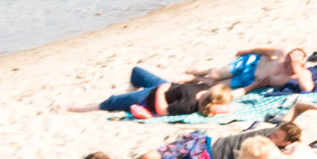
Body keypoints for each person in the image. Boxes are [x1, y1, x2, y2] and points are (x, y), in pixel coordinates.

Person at [120, 105, 317, 159]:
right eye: (274, 132)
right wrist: (316, 107)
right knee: (148, 157)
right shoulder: (275, 131)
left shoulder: (276, 154)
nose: (271, 134)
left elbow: (301, 156)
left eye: (276, 136)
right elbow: (296, 107)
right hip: (199, 144)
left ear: (285, 143)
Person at [68, 67, 233, 118]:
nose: (212, 85)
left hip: (150, 98)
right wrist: (191, 77)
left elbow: (162, 111)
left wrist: (161, 91)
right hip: (165, 86)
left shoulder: (189, 105)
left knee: (112, 101)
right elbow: (207, 81)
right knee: (136, 72)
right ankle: (128, 95)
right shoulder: (205, 90)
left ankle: (80, 109)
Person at [188, 47, 314, 94]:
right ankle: (201, 72)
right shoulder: (281, 52)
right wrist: (246, 51)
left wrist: (295, 66)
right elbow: (263, 51)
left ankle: (197, 78)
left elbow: (307, 88)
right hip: (249, 64)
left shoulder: (301, 73)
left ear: (301, 64)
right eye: (287, 60)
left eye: (290, 62)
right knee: (215, 75)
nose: (287, 63)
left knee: (215, 85)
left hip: (249, 80)